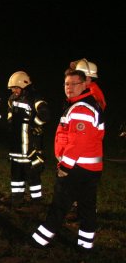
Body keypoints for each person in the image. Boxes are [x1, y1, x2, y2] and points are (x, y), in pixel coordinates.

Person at [30, 69, 105, 252]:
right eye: (66, 84)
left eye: (74, 84)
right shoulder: (85, 104)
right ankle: (85, 245)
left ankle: (39, 241)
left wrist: (65, 166)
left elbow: (77, 142)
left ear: (84, 85)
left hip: (77, 168)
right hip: (90, 168)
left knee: (59, 205)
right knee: (87, 207)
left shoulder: (81, 108)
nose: (69, 88)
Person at [6, 71, 50, 207]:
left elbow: (45, 114)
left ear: (24, 85)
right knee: (16, 175)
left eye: (16, 87)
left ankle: (36, 203)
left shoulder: (35, 98)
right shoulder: (12, 99)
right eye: (12, 88)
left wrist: (34, 125)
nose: (14, 90)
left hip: (30, 148)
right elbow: (10, 117)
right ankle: (16, 200)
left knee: (33, 175)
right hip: (16, 147)